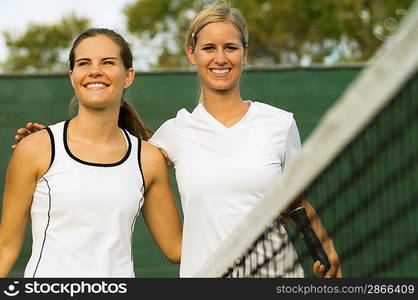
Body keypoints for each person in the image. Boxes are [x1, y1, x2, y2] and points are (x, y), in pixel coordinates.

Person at [12, 2, 341, 278]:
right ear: (192, 54)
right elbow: (106, 155)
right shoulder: (172, 134)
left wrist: (326, 247)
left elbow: (296, 204)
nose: (220, 58)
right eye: (209, 48)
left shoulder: (280, 124)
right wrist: (46, 143)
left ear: (245, 53)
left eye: (230, 47)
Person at [1, 28, 182, 277]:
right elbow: (5, 249)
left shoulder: (148, 159)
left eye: (107, 62)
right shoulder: (35, 148)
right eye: (84, 63)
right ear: (72, 75)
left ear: (128, 76)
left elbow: (177, 249)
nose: (95, 70)